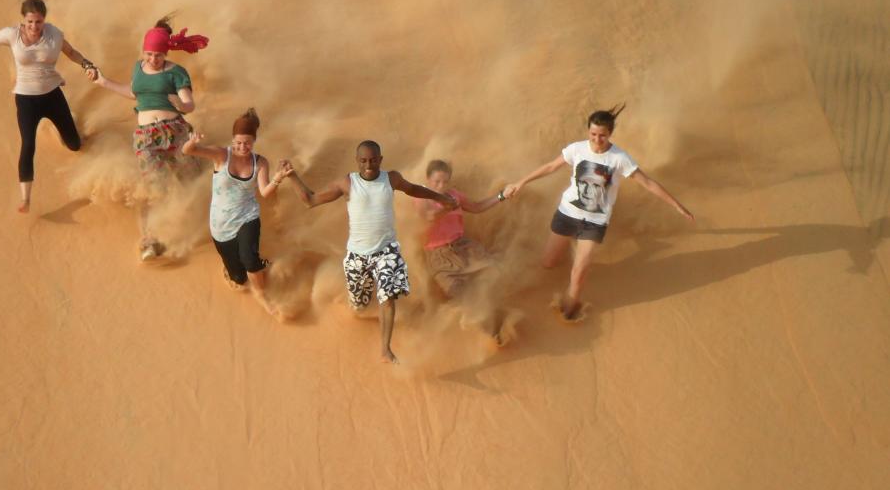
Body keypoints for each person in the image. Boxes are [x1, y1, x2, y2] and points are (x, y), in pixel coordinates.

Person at [503, 105, 694, 321]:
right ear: (588, 131)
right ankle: (568, 247)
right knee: (548, 263)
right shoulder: (576, 149)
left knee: (579, 272)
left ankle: (568, 310)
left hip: (595, 222)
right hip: (567, 213)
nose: (597, 140)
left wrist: (676, 205)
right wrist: (521, 182)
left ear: (610, 134)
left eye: (602, 135)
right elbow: (550, 167)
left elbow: (648, 183)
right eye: (593, 134)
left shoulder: (619, 158)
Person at [284, 141, 457, 364]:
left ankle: (385, 349)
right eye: (364, 161)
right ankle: (362, 304)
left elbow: (414, 189)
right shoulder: (347, 183)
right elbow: (310, 200)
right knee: (359, 304)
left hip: (387, 250)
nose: (369, 165)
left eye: (373, 160)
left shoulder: (391, 178)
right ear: (357, 161)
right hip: (357, 256)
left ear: (380, 160)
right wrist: (292, 176)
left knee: (388, 296)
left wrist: (441, 198)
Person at [0, 0, 95, 212]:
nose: (34, 27)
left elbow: (71, 52)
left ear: (44, 20)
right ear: (23, 21)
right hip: (26, 99)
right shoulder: (12, 34)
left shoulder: (54, 34)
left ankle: (68, 130)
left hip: (53, 96)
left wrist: (87, 65)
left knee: (75, 145)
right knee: (28, 144)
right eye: (30, 22)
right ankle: (25, 198)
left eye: (38, 22)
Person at [89, 17, 209, 259]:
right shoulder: (138, 68)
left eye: (158, 55)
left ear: (165, 53)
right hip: (146, 137)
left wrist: (180, 103)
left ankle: (203, 217)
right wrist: (103, 81)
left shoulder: (176, 73)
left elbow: (190, 104)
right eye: (149, 54)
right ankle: (150, 239)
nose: (153, 59)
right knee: (153, 184)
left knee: (190, 178)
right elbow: (134, 93)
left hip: (174, 132)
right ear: (143, 52)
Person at [181, 109, 291, 315]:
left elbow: (265, 192)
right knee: (238, 279)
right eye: (238, 142)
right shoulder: (221, 155)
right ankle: (254, 266)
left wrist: (279, 176)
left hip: (247, 216)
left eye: (247, 143)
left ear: (254, 141)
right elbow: (187, 151)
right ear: (233, 140)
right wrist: (193, 142)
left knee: (249, 260)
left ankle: (261, 294)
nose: (242, 147)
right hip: (220, 225)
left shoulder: (261, 162)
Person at [415, 159, 509, 342]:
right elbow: (428, 217)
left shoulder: (454, 195)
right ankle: (490, 330)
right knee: (459, 292)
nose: (441, 186)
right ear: (428, 180)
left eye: (445, 182)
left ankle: (495, 314)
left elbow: (477, 207)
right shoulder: (421, 197)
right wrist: (446, 207)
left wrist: (502, 195)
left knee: (494, 272)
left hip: (463, 247)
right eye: (436, 182)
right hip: (439, 255)